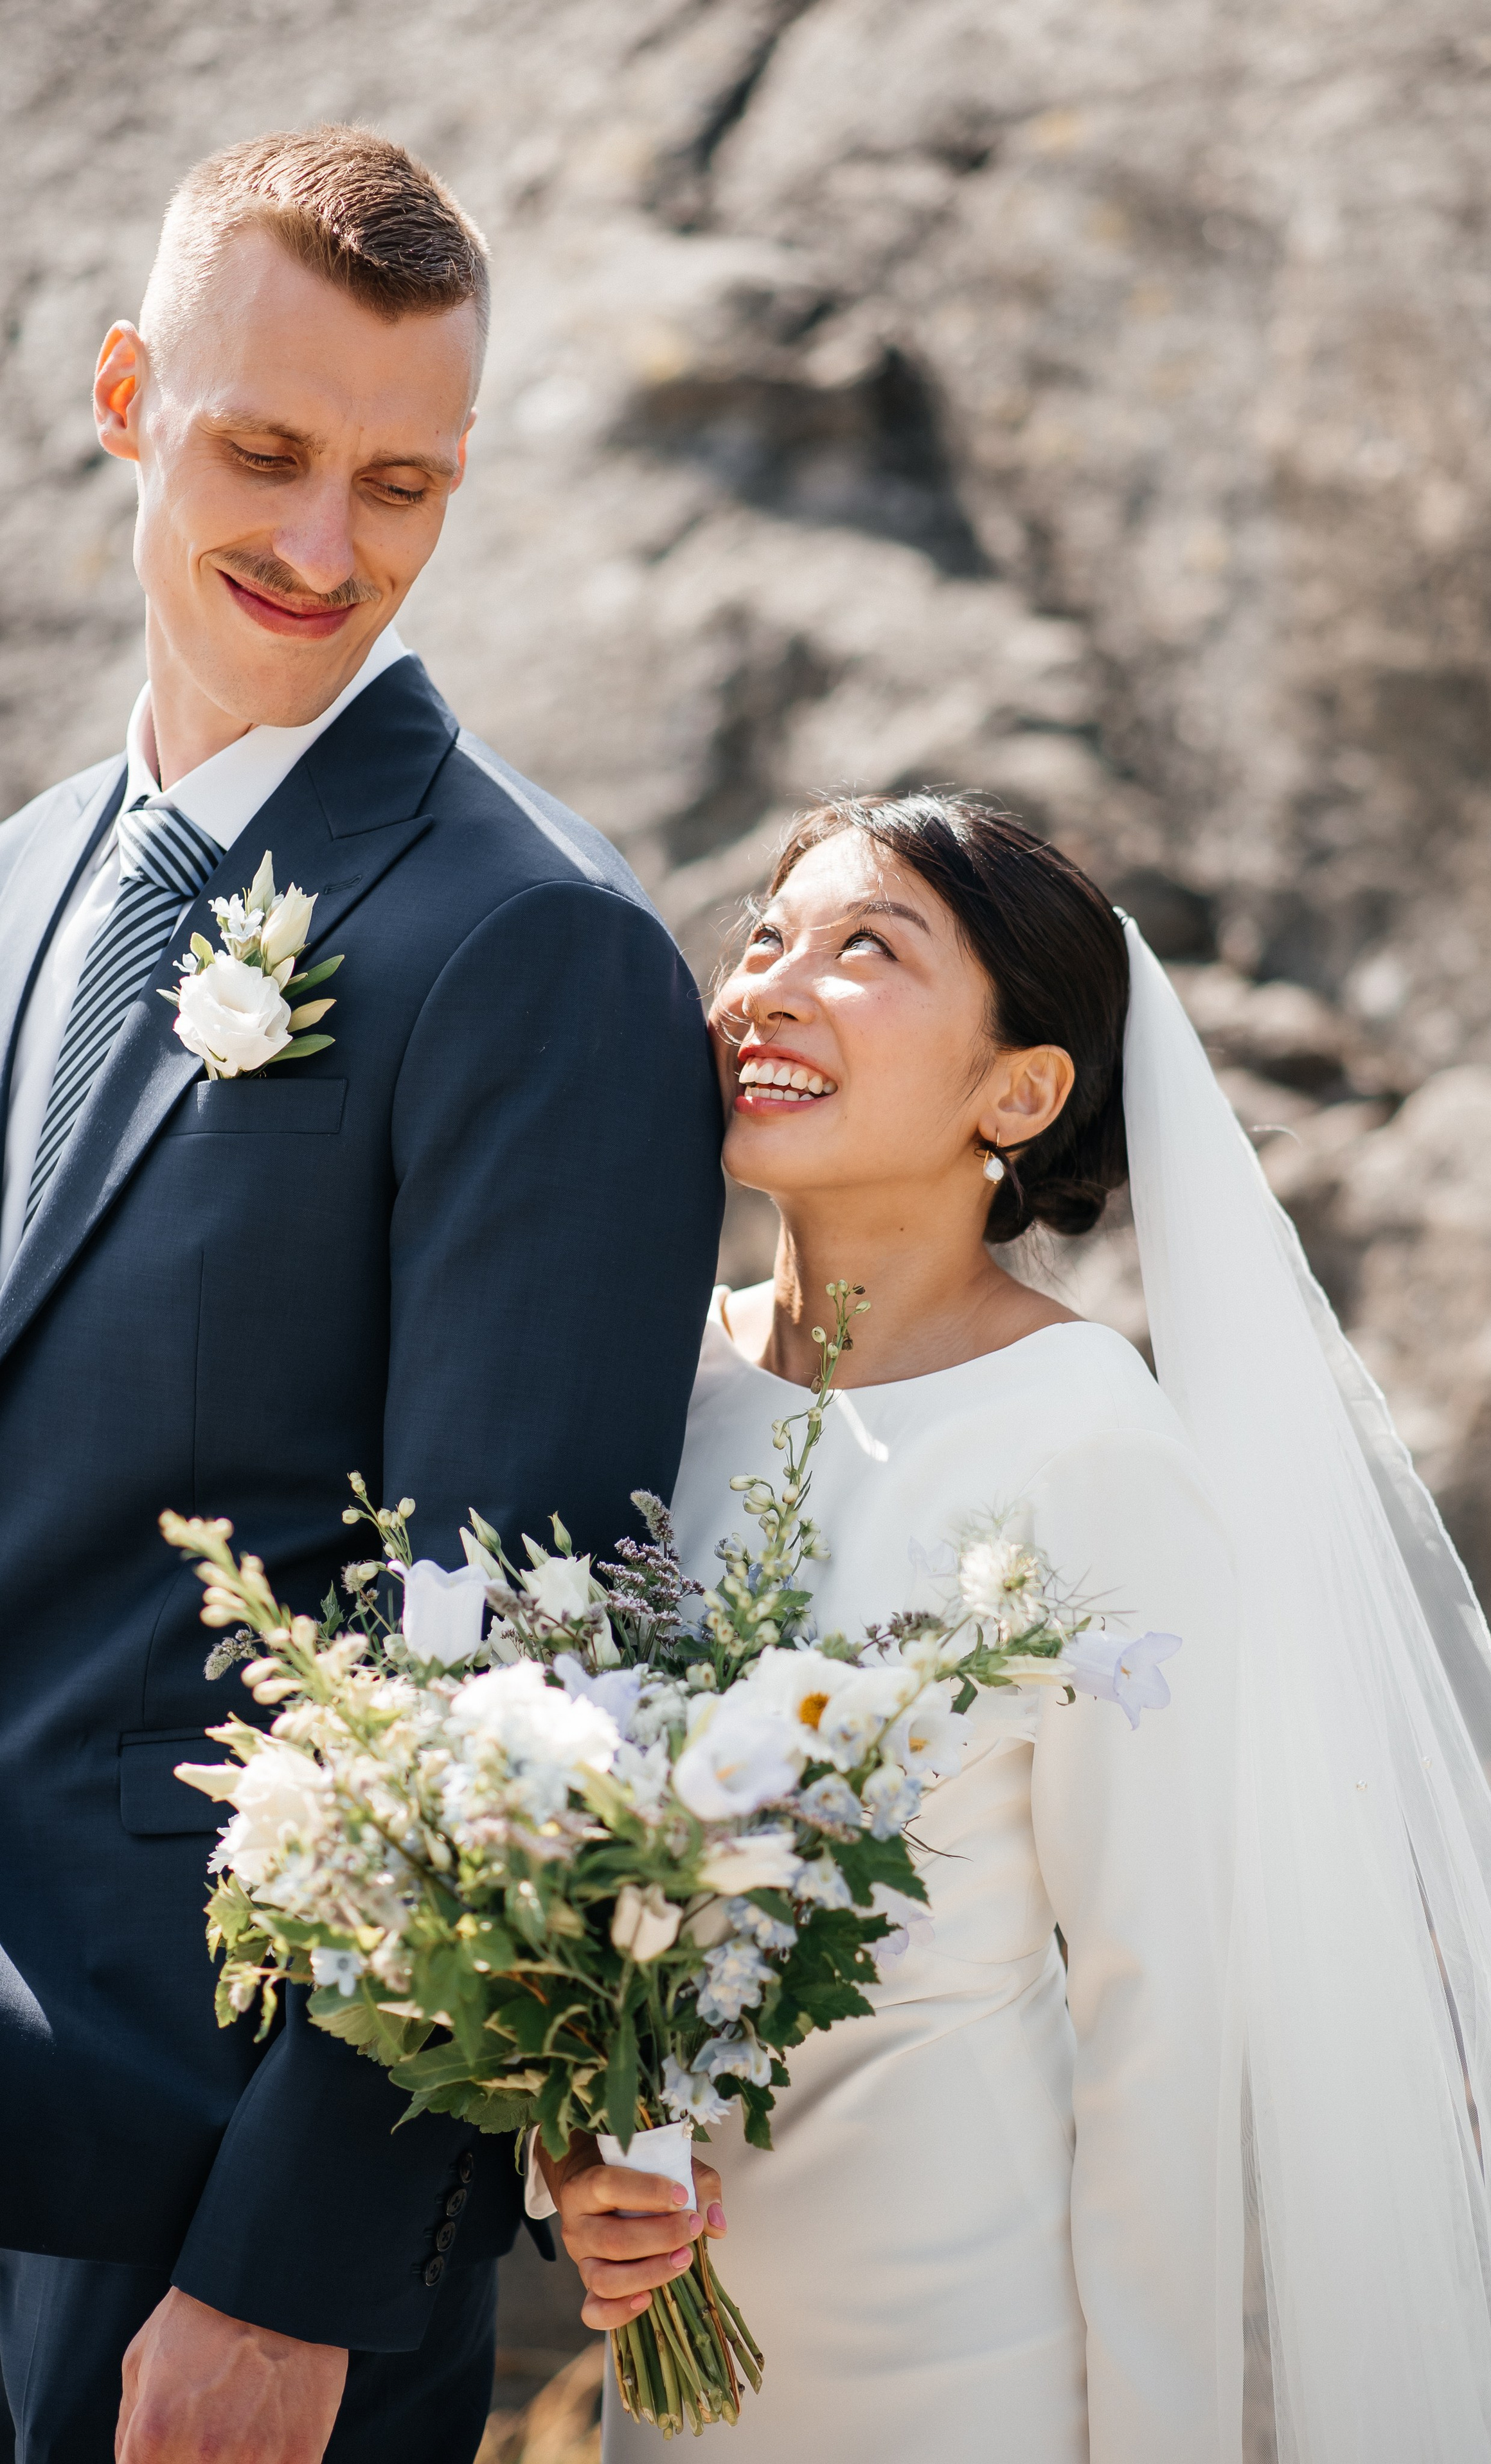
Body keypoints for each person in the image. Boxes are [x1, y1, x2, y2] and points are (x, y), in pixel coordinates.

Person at [540, 793, 1491, 2463]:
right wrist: (576, 2150)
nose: (767, 987)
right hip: (674, 2339)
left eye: (866, 949)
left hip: (957, 2345)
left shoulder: (1083, 1438)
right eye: (764, 938)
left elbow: (1162, 2026)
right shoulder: (653, 1379)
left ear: (1020, 1091)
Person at [0, 128, 722, 2464]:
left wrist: (288, 2278)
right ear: (126, 395)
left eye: (399, 484)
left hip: (193, 2228)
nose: (326, 548)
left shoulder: (534, 946)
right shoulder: (25, 876)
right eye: (268, 452)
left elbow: (522, 1681)